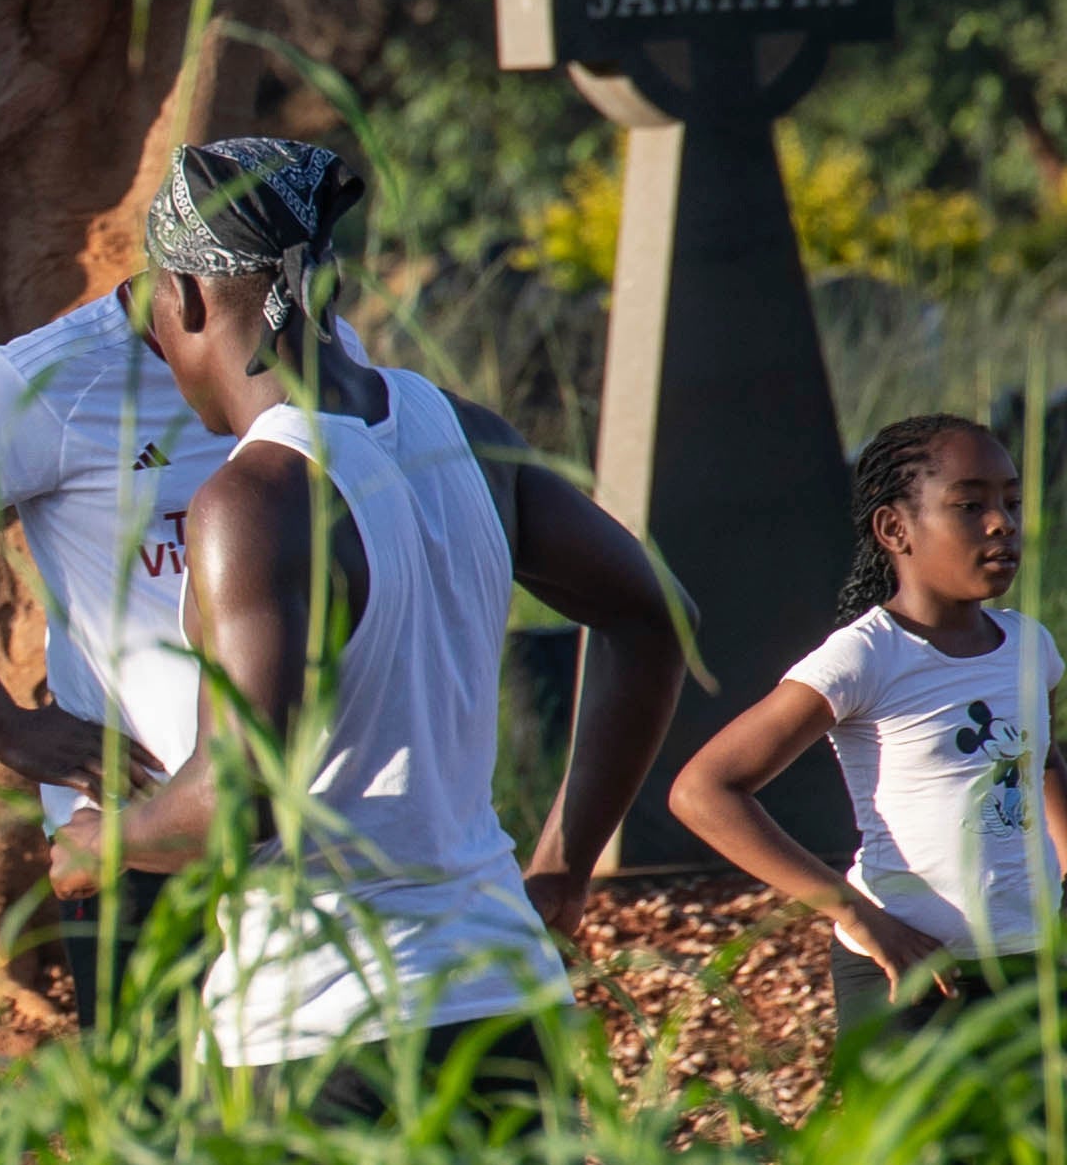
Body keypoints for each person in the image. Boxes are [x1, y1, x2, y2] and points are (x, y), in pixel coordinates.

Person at [46, 140, 685, 1114]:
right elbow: (650, 619)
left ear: (181, 296)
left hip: (329, 1028)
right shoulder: (464, 435)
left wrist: (100, 841)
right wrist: (559, 869)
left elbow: (239, 800)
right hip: (507, 997)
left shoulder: (254, 500)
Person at [0, 286, 366, 1016]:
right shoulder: (45, 382)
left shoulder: (325, 349)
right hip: (137, 837)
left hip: (326, 825)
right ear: (184, 286)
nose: (292, 296)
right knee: (158, 1114)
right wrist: (5, 727)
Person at [670, 412, 1052, 1036]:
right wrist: (857, 916)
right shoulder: (864, 657)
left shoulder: (1031, 646)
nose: (1001, 523)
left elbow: (1041, 761)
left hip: (1031, 970)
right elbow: (703, 790)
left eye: (1012, 503)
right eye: (969, 505)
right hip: (914, 978)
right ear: (894, 528)